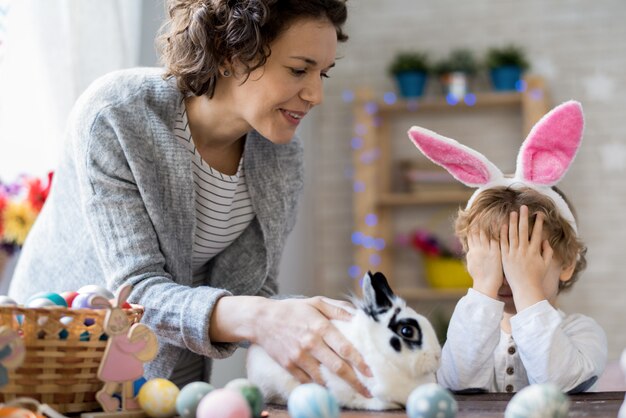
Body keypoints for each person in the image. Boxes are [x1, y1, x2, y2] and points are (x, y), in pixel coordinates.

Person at [9, 0, 373, 396]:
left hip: (169, 386)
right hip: (55, 370)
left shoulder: (281, 155)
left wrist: (322, 325)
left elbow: (256, 291)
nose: (316, 94)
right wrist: (264, 316)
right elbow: (136, 294)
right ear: (229, 52)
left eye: (323, 73)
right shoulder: (117, 115)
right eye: (299, 70)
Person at [407, 100, 607, 394]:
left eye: (523, 258)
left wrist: (527, 287)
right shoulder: (471, 329)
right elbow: (456, 383)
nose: (507, 275)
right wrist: (483, 287)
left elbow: (559, 384)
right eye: (494, 261)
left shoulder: (582, 333)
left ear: (566, 264)